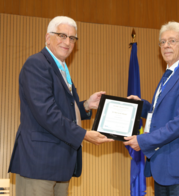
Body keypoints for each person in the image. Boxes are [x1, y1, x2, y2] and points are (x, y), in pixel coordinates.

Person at [8, 16, 113, 196]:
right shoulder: (37, 64)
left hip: (60, 164)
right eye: (62, 35)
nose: (67, 42)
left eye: (72, 38)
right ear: (48, 38)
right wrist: (84, 135)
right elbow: (46, 113)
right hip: (39, 163)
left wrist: (87, 105)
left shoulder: (62, 69)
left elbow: (62, 111)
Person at [124, 21, 179, 196]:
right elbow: (162, 113)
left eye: (172, 41)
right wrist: (141, 106)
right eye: (162, 42)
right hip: (162, 166)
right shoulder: (168, 75)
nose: (166, 46)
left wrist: (143, 141)